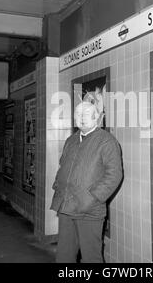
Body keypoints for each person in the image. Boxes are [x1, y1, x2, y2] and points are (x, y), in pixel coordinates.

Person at [51, 101, 123, 263]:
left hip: (89, 210)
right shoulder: (71, 140)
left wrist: (93, 198)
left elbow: (114, 175)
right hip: (66, 206)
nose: (81, 117)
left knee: (91, 257)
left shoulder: (107, 141)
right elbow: (63, 166)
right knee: (64, 255)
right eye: (78, 114)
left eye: (86, 113)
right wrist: (58, 187)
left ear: (96, 117)